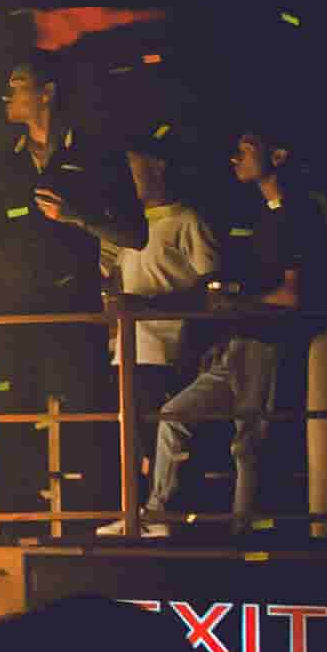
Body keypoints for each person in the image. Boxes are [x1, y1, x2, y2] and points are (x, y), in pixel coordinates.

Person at [152, 124, 327, 528]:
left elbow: (293, 296)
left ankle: (244, 533)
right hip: (240, 344)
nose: (236, 157)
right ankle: (157, 514)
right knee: (173, 416)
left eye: (247, 149)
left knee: (249, 444)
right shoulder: (263, 214)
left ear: (277, 157)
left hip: (268, 344)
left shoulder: (300, 214)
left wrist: (237, 303)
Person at [0, 59, 111, 522]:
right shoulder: (4, 167)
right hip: (18, 316)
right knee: (14, 424)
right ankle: (16, 522)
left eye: (18, 85)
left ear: (46, 92)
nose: (7, 95)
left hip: (76, 314)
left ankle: (94, 521)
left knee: (85, 421)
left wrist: (77, 218)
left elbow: (134, 233)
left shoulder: (93, 155)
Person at [76, 146, 216, 536]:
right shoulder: (127, 228)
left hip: (168, 346)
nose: (128, 177)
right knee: (133, 437)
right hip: (128, 346)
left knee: (162, 435)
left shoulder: (187, 220)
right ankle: (137, 514)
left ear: (158, 166)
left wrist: (147, 304)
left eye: (134, 167)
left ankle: (162, 515)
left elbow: (211, 289)